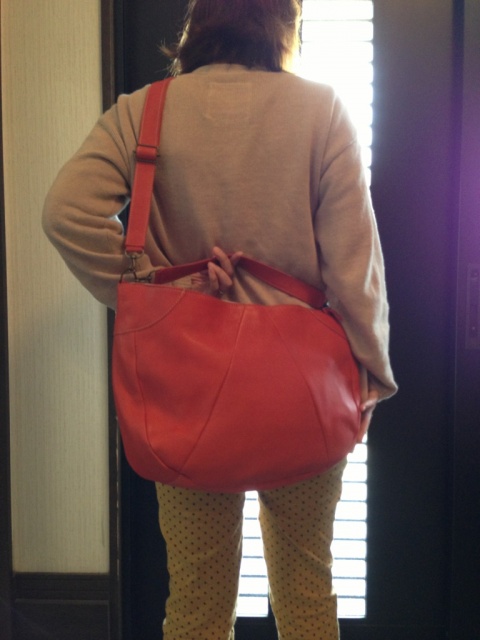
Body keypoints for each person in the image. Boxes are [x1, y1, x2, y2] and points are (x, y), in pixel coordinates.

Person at [42, 0, 397, 637]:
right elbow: (355, 267)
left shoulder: (144, 110)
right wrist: (372, 372)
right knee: (307, 590)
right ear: (283, 23)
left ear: (199, 22)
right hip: (302, 395)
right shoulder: (322, 111)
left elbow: (65, 213)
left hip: (186, 394)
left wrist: (151, 289)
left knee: (197, 603)